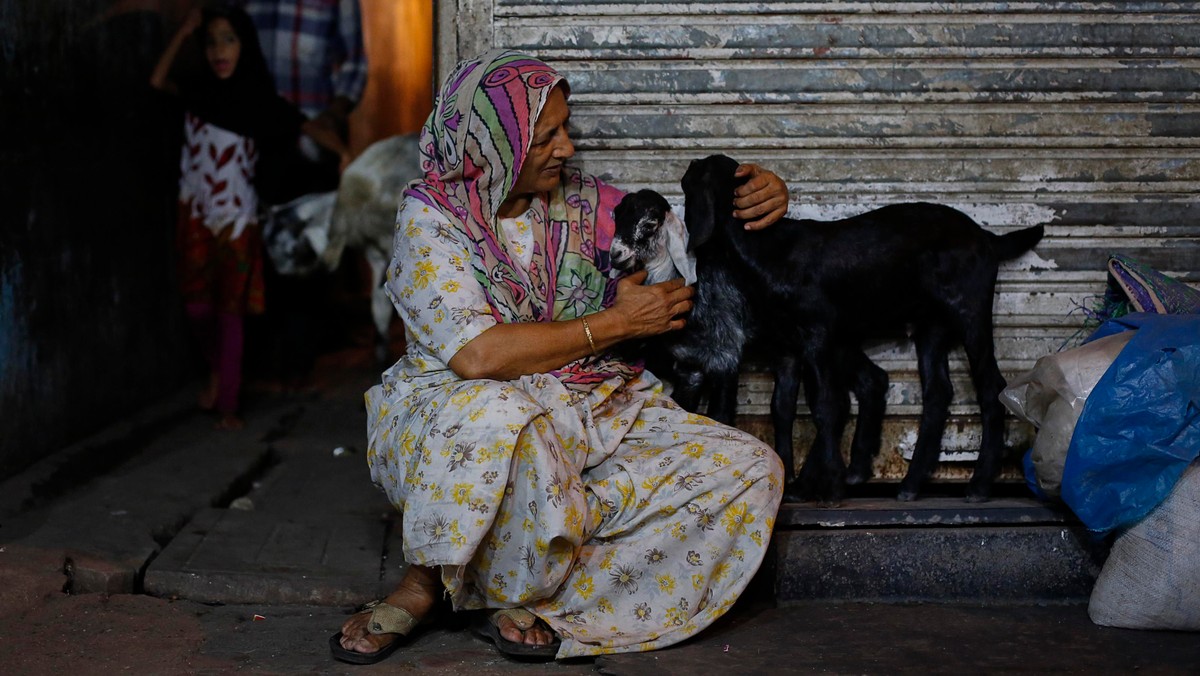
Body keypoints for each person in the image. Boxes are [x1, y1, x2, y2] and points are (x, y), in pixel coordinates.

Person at [330, 50, 789, 664]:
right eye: (546, 136)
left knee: (750, 468)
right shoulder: (431, 219)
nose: (569, 148)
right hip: (462, 413)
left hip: (593, 407)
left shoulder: (589, 206)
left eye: (565, 130)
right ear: (492, 144)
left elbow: (681, 253)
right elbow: (478, 354)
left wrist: (752, 201)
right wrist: (614, 323)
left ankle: (546, 597)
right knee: (497, 416)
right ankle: (426, 581)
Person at [150, 3, 352, 428]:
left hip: (238, 222)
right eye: (211, 42)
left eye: (229, 40)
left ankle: (228, 403)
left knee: (230, 311)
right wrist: (184, 34)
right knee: (197, 309)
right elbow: (156, 80)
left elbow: (308, 127)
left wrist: (345, 154)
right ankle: (221, 371)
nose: (220, 51)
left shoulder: (260, 103)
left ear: (245, 45)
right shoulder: (197, 93)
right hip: (195, 216)